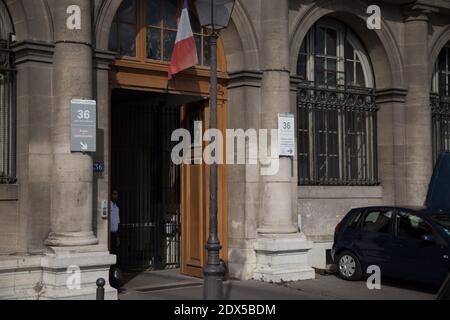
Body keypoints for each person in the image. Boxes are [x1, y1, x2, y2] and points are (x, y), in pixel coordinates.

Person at [110, 190, 120, 255]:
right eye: (114, 194)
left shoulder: (116, 208)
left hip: (114, 234)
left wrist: (117, 236)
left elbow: (117, 223)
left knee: (115, 253)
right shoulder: (109, 205)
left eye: (117, 194)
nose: (116, 196)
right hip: (109, 234)